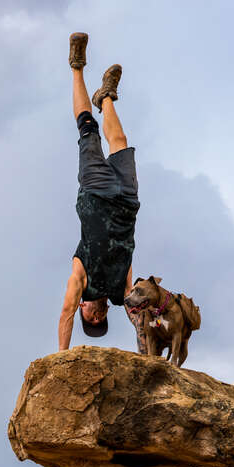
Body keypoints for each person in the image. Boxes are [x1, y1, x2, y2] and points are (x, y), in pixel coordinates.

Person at [58, 32, 141, 350]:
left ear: (84, 308)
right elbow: (137, 307)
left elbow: (65, 312)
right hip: (125, 203)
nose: (100, 316)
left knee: (88, 129)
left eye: (93, 319)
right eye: (103, 320)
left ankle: (76, 66)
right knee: (120, 142)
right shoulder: (121, 293)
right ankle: (106, 96)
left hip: (94, 193)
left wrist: (61, 358)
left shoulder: (82, 282)